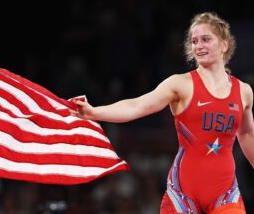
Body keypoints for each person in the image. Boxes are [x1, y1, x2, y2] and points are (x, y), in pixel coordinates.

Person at [72, 12, 254, 214]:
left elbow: (246, 134)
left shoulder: (244, 91)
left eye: (206, 39)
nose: (198, 46)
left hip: (225, 193)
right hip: (183, 195)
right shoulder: (180, 84)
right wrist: (94, 112)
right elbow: (137, 106)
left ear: (224, 45)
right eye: (194, 41)